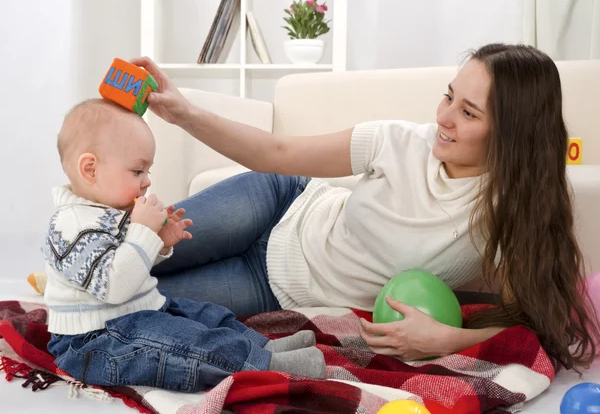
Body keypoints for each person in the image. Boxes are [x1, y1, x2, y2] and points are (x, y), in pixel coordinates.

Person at [131, 43, 599, 371]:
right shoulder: (395, 140)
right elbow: (277, 154)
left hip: (276, 289)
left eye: (469, 112)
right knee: (121, 258)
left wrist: (450, 340)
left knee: (135, 301)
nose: (443, 117)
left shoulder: (508, 211)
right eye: (448, 95)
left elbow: (539, 328)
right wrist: (184, 111)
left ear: (513, 135)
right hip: (279, 203)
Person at [42, 99, 326, 393]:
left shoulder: (109, 213)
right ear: (90, 169)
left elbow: (133, 266)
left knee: (201, 314)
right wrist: (143, 231)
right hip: (93, 341)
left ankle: (262, 346)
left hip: (130, 316)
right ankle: (263, 365)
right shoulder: (72, 227)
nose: (147, 182)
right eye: (138, 171)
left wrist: (161, 243)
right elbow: (116, 286)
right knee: (181, 341)